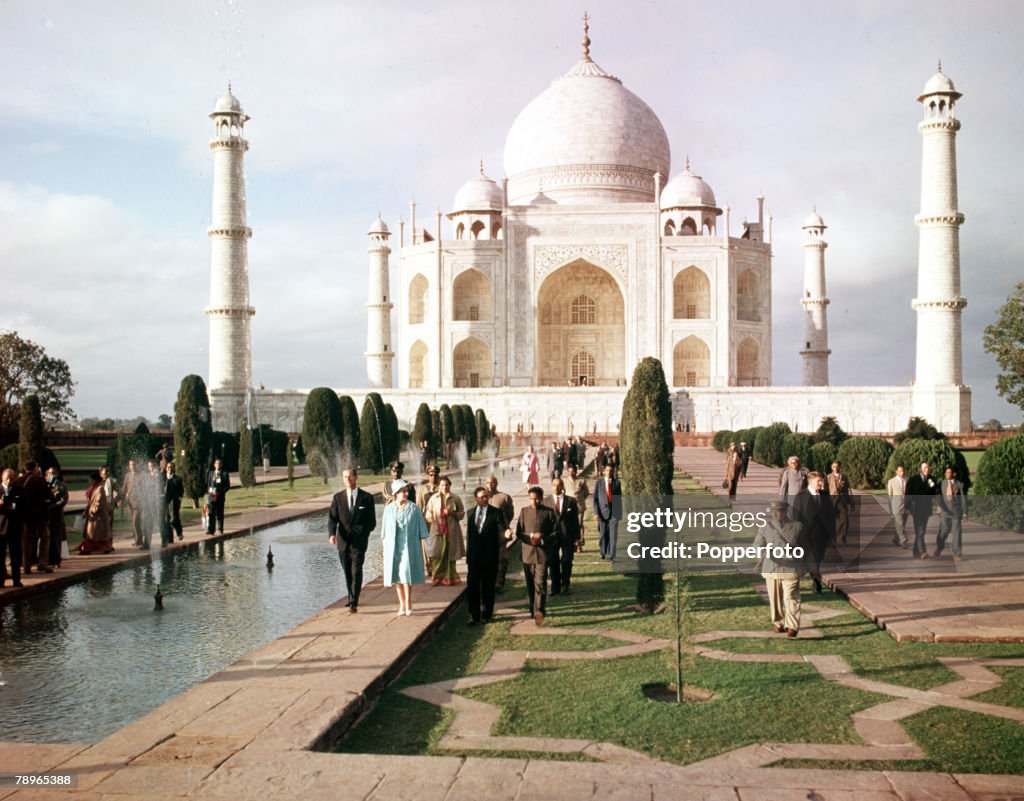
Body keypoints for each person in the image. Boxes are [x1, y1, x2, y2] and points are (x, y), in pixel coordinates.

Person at [753, 499, 808, 637]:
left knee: (791, 596)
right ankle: (779, 623)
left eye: (780, 511)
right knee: (775, 598)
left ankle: (792, 626)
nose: (777, 514)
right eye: (774, 511)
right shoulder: (765, 527)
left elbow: (806, 547)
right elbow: (757, 543)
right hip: (772, 568)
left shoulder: (797, 526)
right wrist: (760, 551)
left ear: (785, 511)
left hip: (791, 568)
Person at [328, 467, 377, 613]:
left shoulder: (366, 498)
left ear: (356, 477)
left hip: (359, 542)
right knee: (347, 572)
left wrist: (364, 533)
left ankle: (354, 601)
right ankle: (350, 596)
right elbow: (332, 519)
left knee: (356, 570)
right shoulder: (338, 498)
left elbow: (372, 522)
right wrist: (332, 534)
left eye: (350, 476)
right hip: (343, 541)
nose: (347, 479)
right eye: (344, 477)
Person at [380, 479, 428, 616]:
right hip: (394, 547)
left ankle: (408, 602)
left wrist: (427, 546)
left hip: (408, 546)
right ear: (396, 493)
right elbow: (384, 532)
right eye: (402, 491)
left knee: (406, 574)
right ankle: (401, 603)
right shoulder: (388, 510)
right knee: (396, 576)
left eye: (406, 491)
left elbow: (422, 529)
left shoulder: (414, 508)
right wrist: (384, 549)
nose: (405, 493)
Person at [514, 486, 557, 626]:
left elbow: (556, 533)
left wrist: (543, 539)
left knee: (540, 583)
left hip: (543, 554)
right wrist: (531, 537)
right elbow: (518, 533)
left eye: (537, 498)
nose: (534, 501)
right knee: (530, 584)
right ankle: (533, 607)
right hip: (528, 554)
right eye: (531, 499)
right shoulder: (524, 511)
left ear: (541, 497)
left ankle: (540, 611)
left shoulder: (549, 512)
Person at [466, 485, 504, 624]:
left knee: (488, 587)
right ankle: (473, 615)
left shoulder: (496, 513)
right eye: (482, 497)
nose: (485, 499)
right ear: (476, 498)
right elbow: (469, 535)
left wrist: (506, 535)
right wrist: (468, 554)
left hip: (490, 556)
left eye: (487, 496)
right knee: (472, 586)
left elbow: (502, 529)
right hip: (474, 557)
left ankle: (487, 614)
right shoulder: (470, 513)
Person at [792, 471, 834, 594]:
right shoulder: (801, 496)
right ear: (811, 482)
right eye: (818, 481)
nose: (821, 483)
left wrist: (831, 534)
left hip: (821, 536)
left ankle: (816, 584)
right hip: (805, 537)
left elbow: (830, 515)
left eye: (821, 481)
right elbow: (795, 516)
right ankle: (796, 585)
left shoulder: (825, 495)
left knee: (817, 560)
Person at [425, 476, 465, 586]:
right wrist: (431, 519)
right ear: (438, 486)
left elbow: (461, 514)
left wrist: (452, 513)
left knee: (450, 554)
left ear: (450, 486)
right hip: (437, 530)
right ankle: (437, 578)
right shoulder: (433, 498)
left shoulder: (455, 498)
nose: (444, 487)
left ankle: (450, 578)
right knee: (437, 555)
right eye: (442, 485)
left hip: (451, 530)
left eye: (446, 485)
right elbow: (428, 512)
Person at [547, 478, 580, 595]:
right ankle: (555, 587)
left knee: (566, 561)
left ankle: (565, 584)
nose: (556, 487)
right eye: (554, 485)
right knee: (553, 562)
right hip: (551, 538)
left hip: (568, 536)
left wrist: (577, 538)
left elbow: (575, 521)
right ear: (551, 486)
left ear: (562, 487)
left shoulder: (571, 501)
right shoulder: (546, 501)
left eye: (559, 485)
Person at [20, 461, 52, 573]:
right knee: (45, 538)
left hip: (24, 517)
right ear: (34, 468)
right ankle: (42, 563)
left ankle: (26, 566)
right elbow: (48, 496)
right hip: (39, 517)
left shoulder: (19, 480)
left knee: (26, 542)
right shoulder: (38, 480)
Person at [485, 474, 514, 591]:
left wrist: (504, 526)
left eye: (492, 482)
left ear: (496, 483)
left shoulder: (504, 497)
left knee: (502, 558)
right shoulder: (482, 497)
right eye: (487, 483)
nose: (490, 485)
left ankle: (499, 582)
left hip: (500, 532)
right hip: (487, 533)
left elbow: (510, 514)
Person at [906, 461, 938, 559]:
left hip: (926, 509)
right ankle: (922, 551)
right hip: (916, 509)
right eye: (924, 468)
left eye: (928, 468)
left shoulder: (932, 479)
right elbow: (908, 495)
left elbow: (934, 493)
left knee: (921, 531)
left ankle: (916, 552)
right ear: (920, 469)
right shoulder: (913, 480)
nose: (926, 470)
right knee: (920, 531)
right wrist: (908, 507)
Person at [935, 466, 967, 562]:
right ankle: (939, 548)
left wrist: (965, 513)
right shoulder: (942, 483)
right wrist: (938, 505)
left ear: (954, 474)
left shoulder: (959, 484)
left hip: (956, 512)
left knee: (957, 532)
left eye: (949, 472)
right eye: (946, 473)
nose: (947, 474)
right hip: (945, 511)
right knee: (943, 531)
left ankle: (957, 553)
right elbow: (938, 496)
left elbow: (963, 499)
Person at [78, 471, 114, 554]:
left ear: (96, 480)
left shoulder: (100, 489)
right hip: (94, 515)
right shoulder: (94, 488)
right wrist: (86, 510)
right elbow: (90, 501)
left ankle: (88, 549)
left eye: (92, 480)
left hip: (98, 516)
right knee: (93, 534)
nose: (91, 481)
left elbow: (98, 503)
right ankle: (99, 548)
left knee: (93, 534)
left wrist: (91, 510)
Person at [0, 468, 24, 587]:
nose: (9, 480)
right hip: (1, 528)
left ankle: (16, 580)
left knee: (15, 555)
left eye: (12, 478)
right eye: (7, 478)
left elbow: (22, 506)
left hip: (14, 527)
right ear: (2, 478)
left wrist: (10, 505)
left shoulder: (19, 489)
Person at [593, 464, 621, 561]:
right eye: (607, 470)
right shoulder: (599, 483)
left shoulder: (617, 483)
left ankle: (611, 555)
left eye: (611, 471)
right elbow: (595, 500)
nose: (609, 472)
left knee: (613, 535)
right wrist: (596, 513)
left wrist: (619, 514)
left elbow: (619, 499)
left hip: (614, 513)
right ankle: (602, 551)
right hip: (602, 513)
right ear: (604, 471)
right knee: (603, 534)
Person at [418, 465, 441, 574]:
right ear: (428, 475)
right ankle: (428, 565)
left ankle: (437, 565)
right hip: (425, 521)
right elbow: (419, 505)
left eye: (435, 475)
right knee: (426, 545)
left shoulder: (441, 487)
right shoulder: (422, 489)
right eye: (431, 475)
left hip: (438, 520)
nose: (433, 477)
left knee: (437, 543)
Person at [45, 467, 68, 567]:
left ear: (57, 474)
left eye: (53, 473)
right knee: (47, 538)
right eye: (50, 473)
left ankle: (57, 560)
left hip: (57, 515)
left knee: (56, 538)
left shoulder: (61, 486)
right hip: (47, 516)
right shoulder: (45, 485)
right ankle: (48, 560)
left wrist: (52, 507)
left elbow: (63, 500)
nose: (51, 474)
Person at [563, 464, 589, 551]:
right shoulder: (565, 481)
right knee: (570, 525)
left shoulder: (581, 481)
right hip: (569, 507)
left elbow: (586, 493)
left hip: (580, 506)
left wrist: (580, 499)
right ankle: (572, 543)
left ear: (576, 471)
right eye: (569, 472)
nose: (571, 473)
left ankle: (579, 544)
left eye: (573, 471)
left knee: (579, 525)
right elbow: (563, 493)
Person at [827, 460, 852, 545]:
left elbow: (848, 490)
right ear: (831, 467)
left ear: (840, 467)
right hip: (831, 501)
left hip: (842, 501)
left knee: (844, 521)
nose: (835, 468)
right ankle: (831, 540)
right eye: (834, 467)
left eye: (837, 466)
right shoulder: (828, 477)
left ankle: (842, 538)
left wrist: (851, 503)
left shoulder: (844, 477)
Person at [122, 459, 145, 547]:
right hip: (130, 502)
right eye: (131, 464)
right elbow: (124, 488)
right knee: (134, 522)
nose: (133, 466)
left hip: (138, 503)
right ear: (129, 466)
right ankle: (138, 540)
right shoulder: (127, 475)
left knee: (135, 521)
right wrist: (119, 498)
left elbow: (144, 489)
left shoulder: (141, 475)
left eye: (134, 464)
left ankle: (139, 540)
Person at [206, 458, 231, 535]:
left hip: (220, 496)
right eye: (216, 463)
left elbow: (227, 486)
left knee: (220, 513)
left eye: (219, 464)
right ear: (214, 465)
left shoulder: (224, 474)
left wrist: (220, 492)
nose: (218, 465)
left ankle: (220, 529)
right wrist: (210, 491)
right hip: (212, 496)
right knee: (211, 513)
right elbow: (208, 484)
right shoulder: (211, 473)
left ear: (221, 465)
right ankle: (211, 530)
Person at [162, 462, 185, 545]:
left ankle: (179, 532)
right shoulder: (163, 478)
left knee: (174, 519)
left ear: (174, 469)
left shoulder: (178, 479)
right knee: (166, 520)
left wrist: (179, 497)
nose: (169, 469)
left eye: (171, 467)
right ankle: (169, 539)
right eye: (168, 467)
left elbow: (181, 490)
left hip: (174, 501)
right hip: (165, 501)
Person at [887, 465, 909, 548]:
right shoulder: (891, 481)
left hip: (905, 506)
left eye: (903, 471)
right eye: (900, 471)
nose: (902, 473)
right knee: (899, 523)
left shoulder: (907, 480)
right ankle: (903, 540)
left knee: (901, 524)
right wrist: (890, 508)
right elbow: (889, 496)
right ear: (896, 471)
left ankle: (895, 539)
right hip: (896, 506)